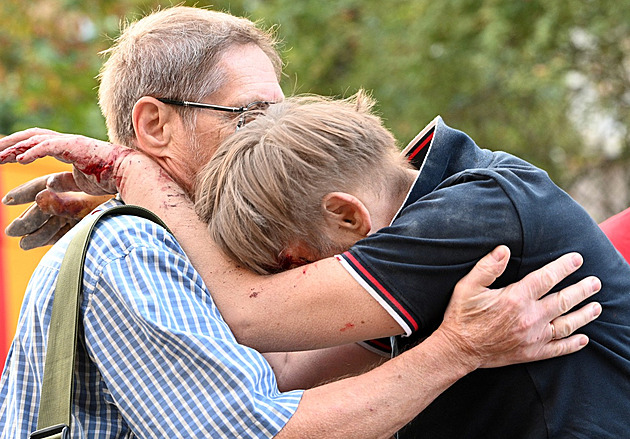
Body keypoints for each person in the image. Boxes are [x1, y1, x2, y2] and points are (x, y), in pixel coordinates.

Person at [0, 6, 601, 439]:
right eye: (251, 114)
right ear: (155, 126)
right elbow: (258, 416)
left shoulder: (470, 205)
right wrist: (456, 349)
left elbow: (280, 370)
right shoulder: (133, 244)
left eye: (280, 112)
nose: (272, 137)